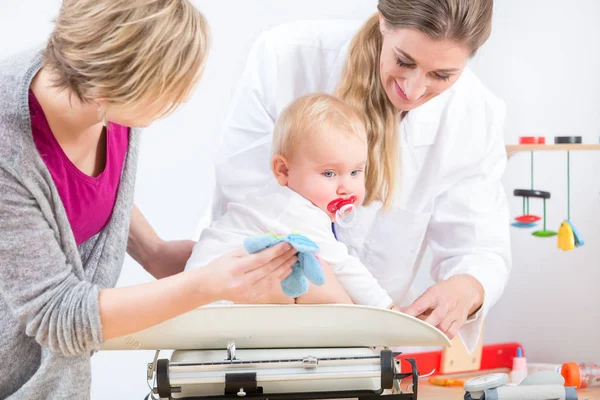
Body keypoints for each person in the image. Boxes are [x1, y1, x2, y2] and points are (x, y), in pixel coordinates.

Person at [0, 1, 296, 399]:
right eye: (168, 91)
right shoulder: (10, 151)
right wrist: (203, 285)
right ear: (119, 85)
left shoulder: (105, 101)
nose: (176, 102)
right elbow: (59, 316)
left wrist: (153, 251)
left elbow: (76, 194)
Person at [212, 0, 511, 352]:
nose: (413, 90)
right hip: (250, 332)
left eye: (441, 75)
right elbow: (259, 211)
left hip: (367, 355)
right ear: (384, 21)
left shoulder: (475, 112)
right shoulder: (287, 57)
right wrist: (367, 311)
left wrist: (466, 287)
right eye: (404, 61)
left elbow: (479, 246)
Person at [186, 93, 394, 309]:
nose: (346, 188)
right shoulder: (293, 209)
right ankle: (363, 333)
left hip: (210, 296)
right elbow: (343, 265)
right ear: (283, 170)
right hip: (212, 299)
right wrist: (388, 308)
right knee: (321, 281)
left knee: (313, 278)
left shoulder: (284, 202)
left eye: (355, 172)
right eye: (330, 174)